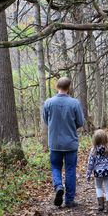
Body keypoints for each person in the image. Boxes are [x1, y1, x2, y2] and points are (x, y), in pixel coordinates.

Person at [43, 77, 84, 208]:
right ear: (69, 87)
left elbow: (46, 120)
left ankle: (58, 186)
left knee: (55, 167)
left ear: (57, 86)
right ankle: (69, 200)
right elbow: (80, 122)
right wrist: (71, 127)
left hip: (54, 143)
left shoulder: (48, 102)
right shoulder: (74, 103)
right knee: (70, 169)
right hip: (71, 143)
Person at [86, 129, 108, 213]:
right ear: (105, 138)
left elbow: (90, 163)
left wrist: (88, 173)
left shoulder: (93, 149)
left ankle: (101, 205)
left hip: (98, 172)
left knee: (98, 187)